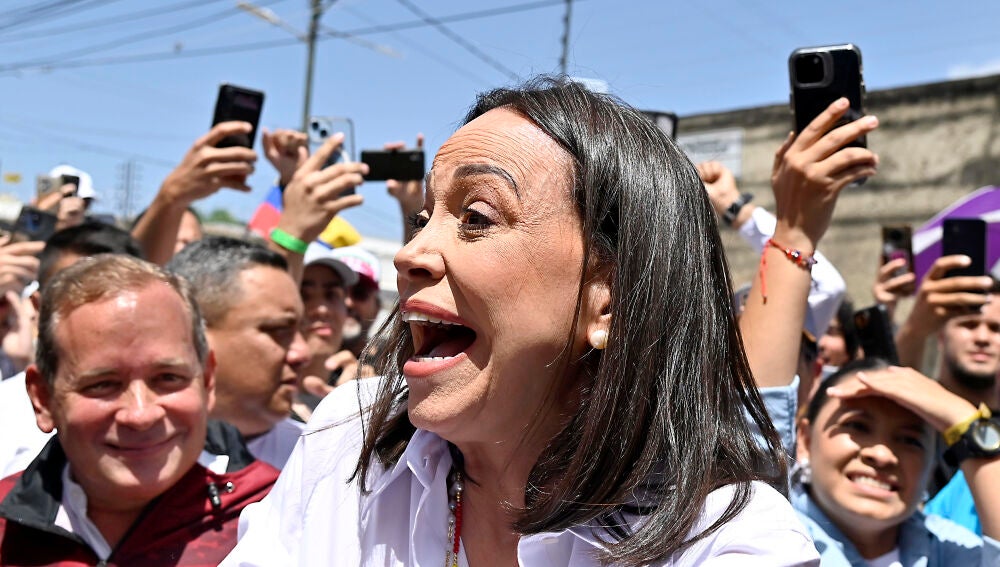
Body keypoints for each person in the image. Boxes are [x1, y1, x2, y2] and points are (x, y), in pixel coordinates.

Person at [224, 78, 817, 566]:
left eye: (477, 216)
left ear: (607, 300)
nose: (411, 254)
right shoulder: (344, 443)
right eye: (424, 217)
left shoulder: (726, 542)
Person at [0, 254, 277, 565]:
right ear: (43, 397)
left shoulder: (280, 518)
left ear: (207, 379)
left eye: (168, 378)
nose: (141, 415)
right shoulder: (5, 533)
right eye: (103, 384)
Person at [793, 359, 1000, 565]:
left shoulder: (949, 549)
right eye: (857, 426)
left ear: (931, 466)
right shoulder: (770, 537)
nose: (882, 455)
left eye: (910, 440)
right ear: (805, 440)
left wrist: (964, 419)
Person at [0, 221, 144, 476]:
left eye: (112, 296)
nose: (98, 315)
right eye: (74, 297)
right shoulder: (5, 411)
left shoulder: (169, 415)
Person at [167, 236, 312, 469]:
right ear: (195, 334)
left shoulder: (327, 462)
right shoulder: (130, 458)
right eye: (279, 330)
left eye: (300, 330)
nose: (302, 353)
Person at [294, 242, 358, 419]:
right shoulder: (252, 406)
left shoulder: (358, 392)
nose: (322, 309)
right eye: (303, 295)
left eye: (332, 294)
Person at [330, 245, 383, 359]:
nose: (348, 302)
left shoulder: (392, 368)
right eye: (336, 293)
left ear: (377, 308)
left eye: (360, 293)